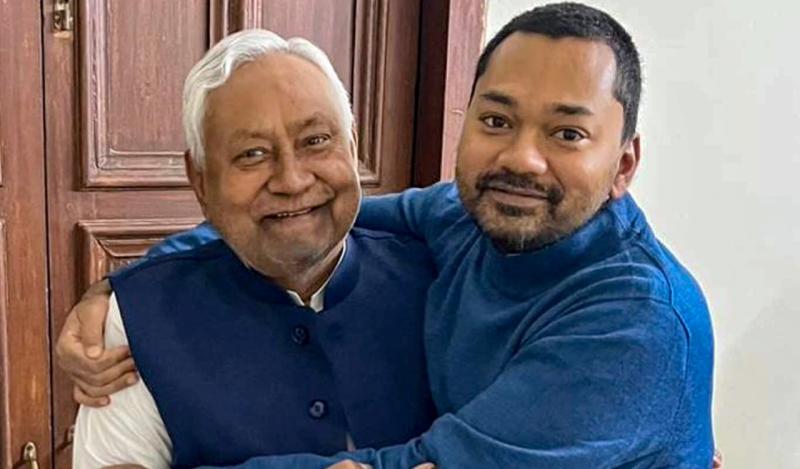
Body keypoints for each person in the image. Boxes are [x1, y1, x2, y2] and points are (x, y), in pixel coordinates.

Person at [62, 3, 718, 468]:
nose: (522, 158)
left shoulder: (636, 325)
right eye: (497, 120)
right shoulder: (462, 218)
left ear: (623, 164)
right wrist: (122, 287)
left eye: (567, 133)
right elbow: (318, 213)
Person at [69, 29, 437, 469]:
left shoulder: (438, 279)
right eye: (252, 154)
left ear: (352, 146)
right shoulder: (136, 317)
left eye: (316, 141)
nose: (292, 180)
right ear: (200, 180)